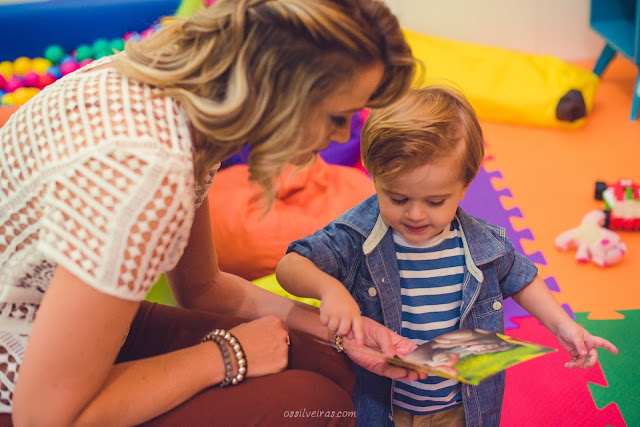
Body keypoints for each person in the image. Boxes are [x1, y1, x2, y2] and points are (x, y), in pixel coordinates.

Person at [0, 0, 422, 425]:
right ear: (280, 87)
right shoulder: (146, 170)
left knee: (329, 361)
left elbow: (202, 287)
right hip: (31, 389)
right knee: (317, 404)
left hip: (68, 332)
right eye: (337, 117)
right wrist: (227, 354)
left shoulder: (188, 104)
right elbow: (44, 417)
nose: (343, 136)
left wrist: (341, 331)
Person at [275, 85, 619, 426]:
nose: (415, 214)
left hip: (461, 408)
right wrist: (329, 289)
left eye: (435, 201)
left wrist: (563, 325)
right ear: (372, 173)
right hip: (384, 408)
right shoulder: (357, 237)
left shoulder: (480, 244)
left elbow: (521, 278)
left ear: (465, 186)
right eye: (397, 198)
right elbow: (290, 265)